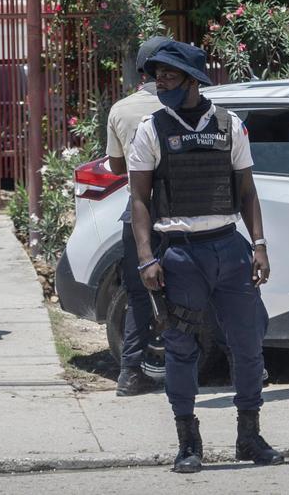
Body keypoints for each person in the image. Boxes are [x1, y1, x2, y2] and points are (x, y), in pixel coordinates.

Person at [127, 41, 284, 473]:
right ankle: (188, 442)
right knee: (181, 350)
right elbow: (139, 199)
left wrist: (259, 245)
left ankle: (249, 437)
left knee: (249, 344)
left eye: (170, 76)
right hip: (179, 254)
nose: (160, 82)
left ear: (193, 80)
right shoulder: (150, 129)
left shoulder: (229, 125)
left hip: (229, 249)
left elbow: (248, 190)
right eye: (157, 75)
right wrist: (146, 258)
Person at [106, 35, 170, 396]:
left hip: (138, 212)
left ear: (140, 70)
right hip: (180, 213)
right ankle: (181, 369)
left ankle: (130, 372)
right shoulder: (184, 103)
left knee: (138, 292)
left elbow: (116, 166)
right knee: (187, 291)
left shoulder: (121, 108)